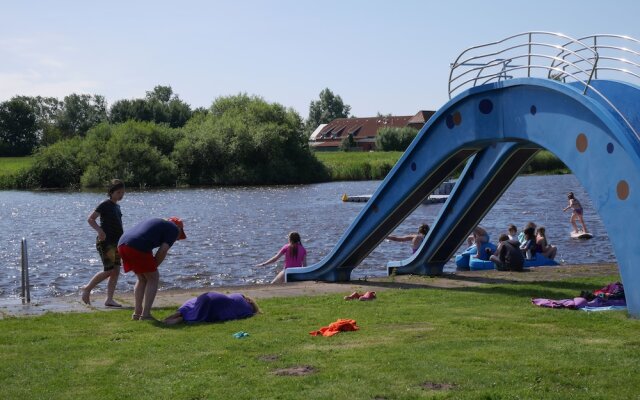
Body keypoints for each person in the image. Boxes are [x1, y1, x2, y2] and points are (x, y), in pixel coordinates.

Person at [117, 217, 187, 321]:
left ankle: (137, 313)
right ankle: (146, 315)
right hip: (137, 245)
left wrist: (152, 266)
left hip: (122, 244)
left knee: (142, 278)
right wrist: (154, 267)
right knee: (153, 278)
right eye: (179, 236)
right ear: (179, 228)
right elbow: (163, 250)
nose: (177, 239)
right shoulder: (174, 229)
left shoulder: (159, 224)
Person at [82, 179, 125, 307]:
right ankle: (87, 289)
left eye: (123, 192)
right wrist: (100, 231)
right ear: (111, 192)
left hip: (117, 242)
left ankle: (109, 299)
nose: (121, 195)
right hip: (106, 242)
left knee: (116, 271)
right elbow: (91, 219)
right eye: (118, 192)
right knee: (108, 270)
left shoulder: (117, 206)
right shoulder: (105, 204)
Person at [162, 291, 260, 325]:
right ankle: (182, 319)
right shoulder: (246, 309)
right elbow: (243, 314)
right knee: (199, 314)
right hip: (215, 303)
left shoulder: (239, 296)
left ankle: (176, 315)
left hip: (208, 295)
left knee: (191, 305)